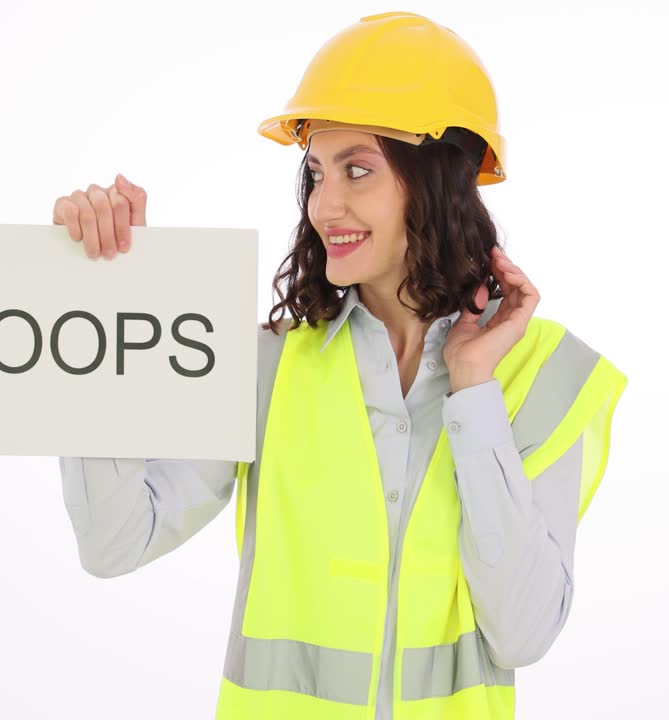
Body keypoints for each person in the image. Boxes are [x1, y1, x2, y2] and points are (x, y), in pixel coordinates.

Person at [53, 11, 627, 720]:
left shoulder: (545, 375)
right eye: (316, 172)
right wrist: (98, 309)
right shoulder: (268, 365)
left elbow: (523, 633)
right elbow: (112, 543)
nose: (325, 205)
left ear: (441, 182)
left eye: (358, 170)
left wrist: (474, 391)